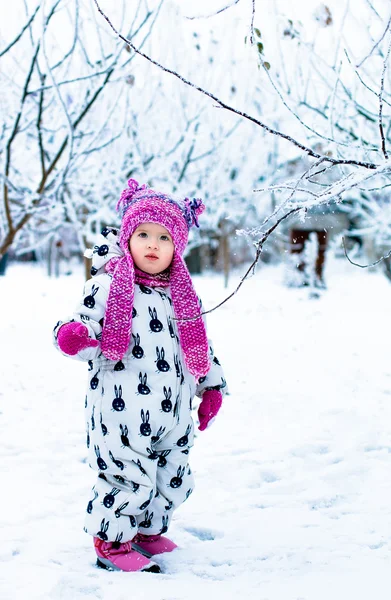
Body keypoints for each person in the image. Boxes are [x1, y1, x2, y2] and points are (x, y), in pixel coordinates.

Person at [53, 179, 227, 573]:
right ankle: (112, 542)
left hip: (174, 409)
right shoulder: (106, 286)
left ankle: (148, 530)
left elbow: (198, 344)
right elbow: (85, 327)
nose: (153, 244)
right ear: (128, 237)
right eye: (144, 234)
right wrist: (74, 337)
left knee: (172, 472)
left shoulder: (183, 295)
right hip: (121, 410)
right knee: (128, 475)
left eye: (164, 237)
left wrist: (211, 385)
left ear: (177, 247)